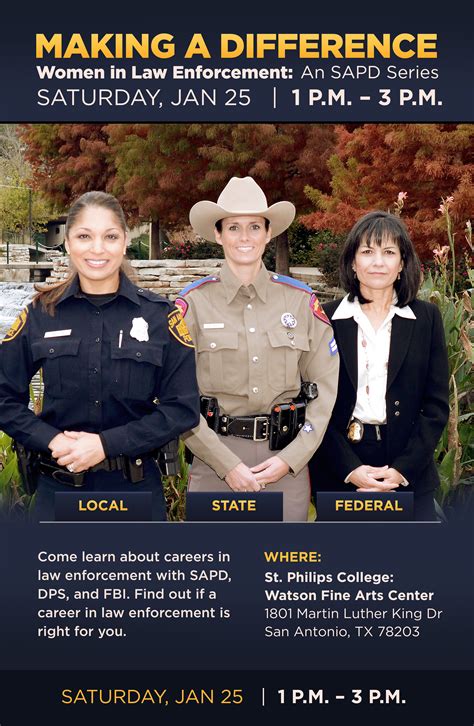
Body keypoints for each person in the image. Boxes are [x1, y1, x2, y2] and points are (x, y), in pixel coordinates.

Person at [0, 191, 200, 521]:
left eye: (110, 236)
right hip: (58, 490)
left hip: (134, 493)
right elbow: (4, 397)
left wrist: (105, 445)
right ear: (67, 243)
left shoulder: (160, 317)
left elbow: (182, 408)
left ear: (123, 243)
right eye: (84, 236)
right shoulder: (40, 314)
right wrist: (51, 440)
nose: (97, 248)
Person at [177, 176, 339, 521]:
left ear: (269, 233)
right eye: (233, 227)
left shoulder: (300, 303)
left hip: (283, 462)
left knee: (278, 567)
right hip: (214, 460)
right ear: (218, 234)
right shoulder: (193, 305)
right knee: (218, 568)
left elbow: (324, 393)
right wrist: (226, 464)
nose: (245, 237)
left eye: (254, 226)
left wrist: (292, 457)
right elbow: (176, 395)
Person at [309, 210, 450, 521]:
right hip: (340, 469)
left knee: (412, 566)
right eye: (367, 251)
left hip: (408, 469)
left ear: (402, 264)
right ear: (352, 262)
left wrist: (402, 470)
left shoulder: (426, 318)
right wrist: (350, 469)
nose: (378, 262)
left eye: (389, 252)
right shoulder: (324, 318)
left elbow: (436, 405)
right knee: (346, 566)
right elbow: (313, 403)